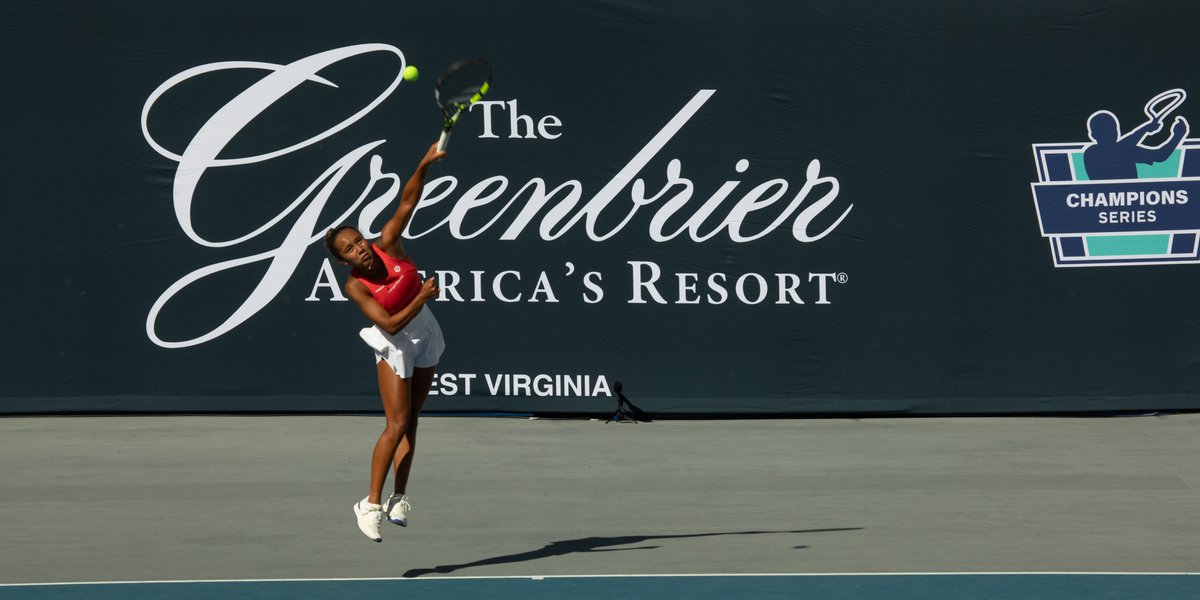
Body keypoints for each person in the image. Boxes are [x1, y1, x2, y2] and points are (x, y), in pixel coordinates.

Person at [324, 141, 446, 542]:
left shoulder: (389, 243)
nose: (359, 249)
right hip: (395, 341)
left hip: (425, 331)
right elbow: (391, 326)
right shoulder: (355, 287)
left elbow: (408, 200)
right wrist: (422, 296)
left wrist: (424, 162)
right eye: (349, 250)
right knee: (395, 424)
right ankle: (370, 504)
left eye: (358, 241)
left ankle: (398, 498)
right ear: (343, 261)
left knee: (413, 418)